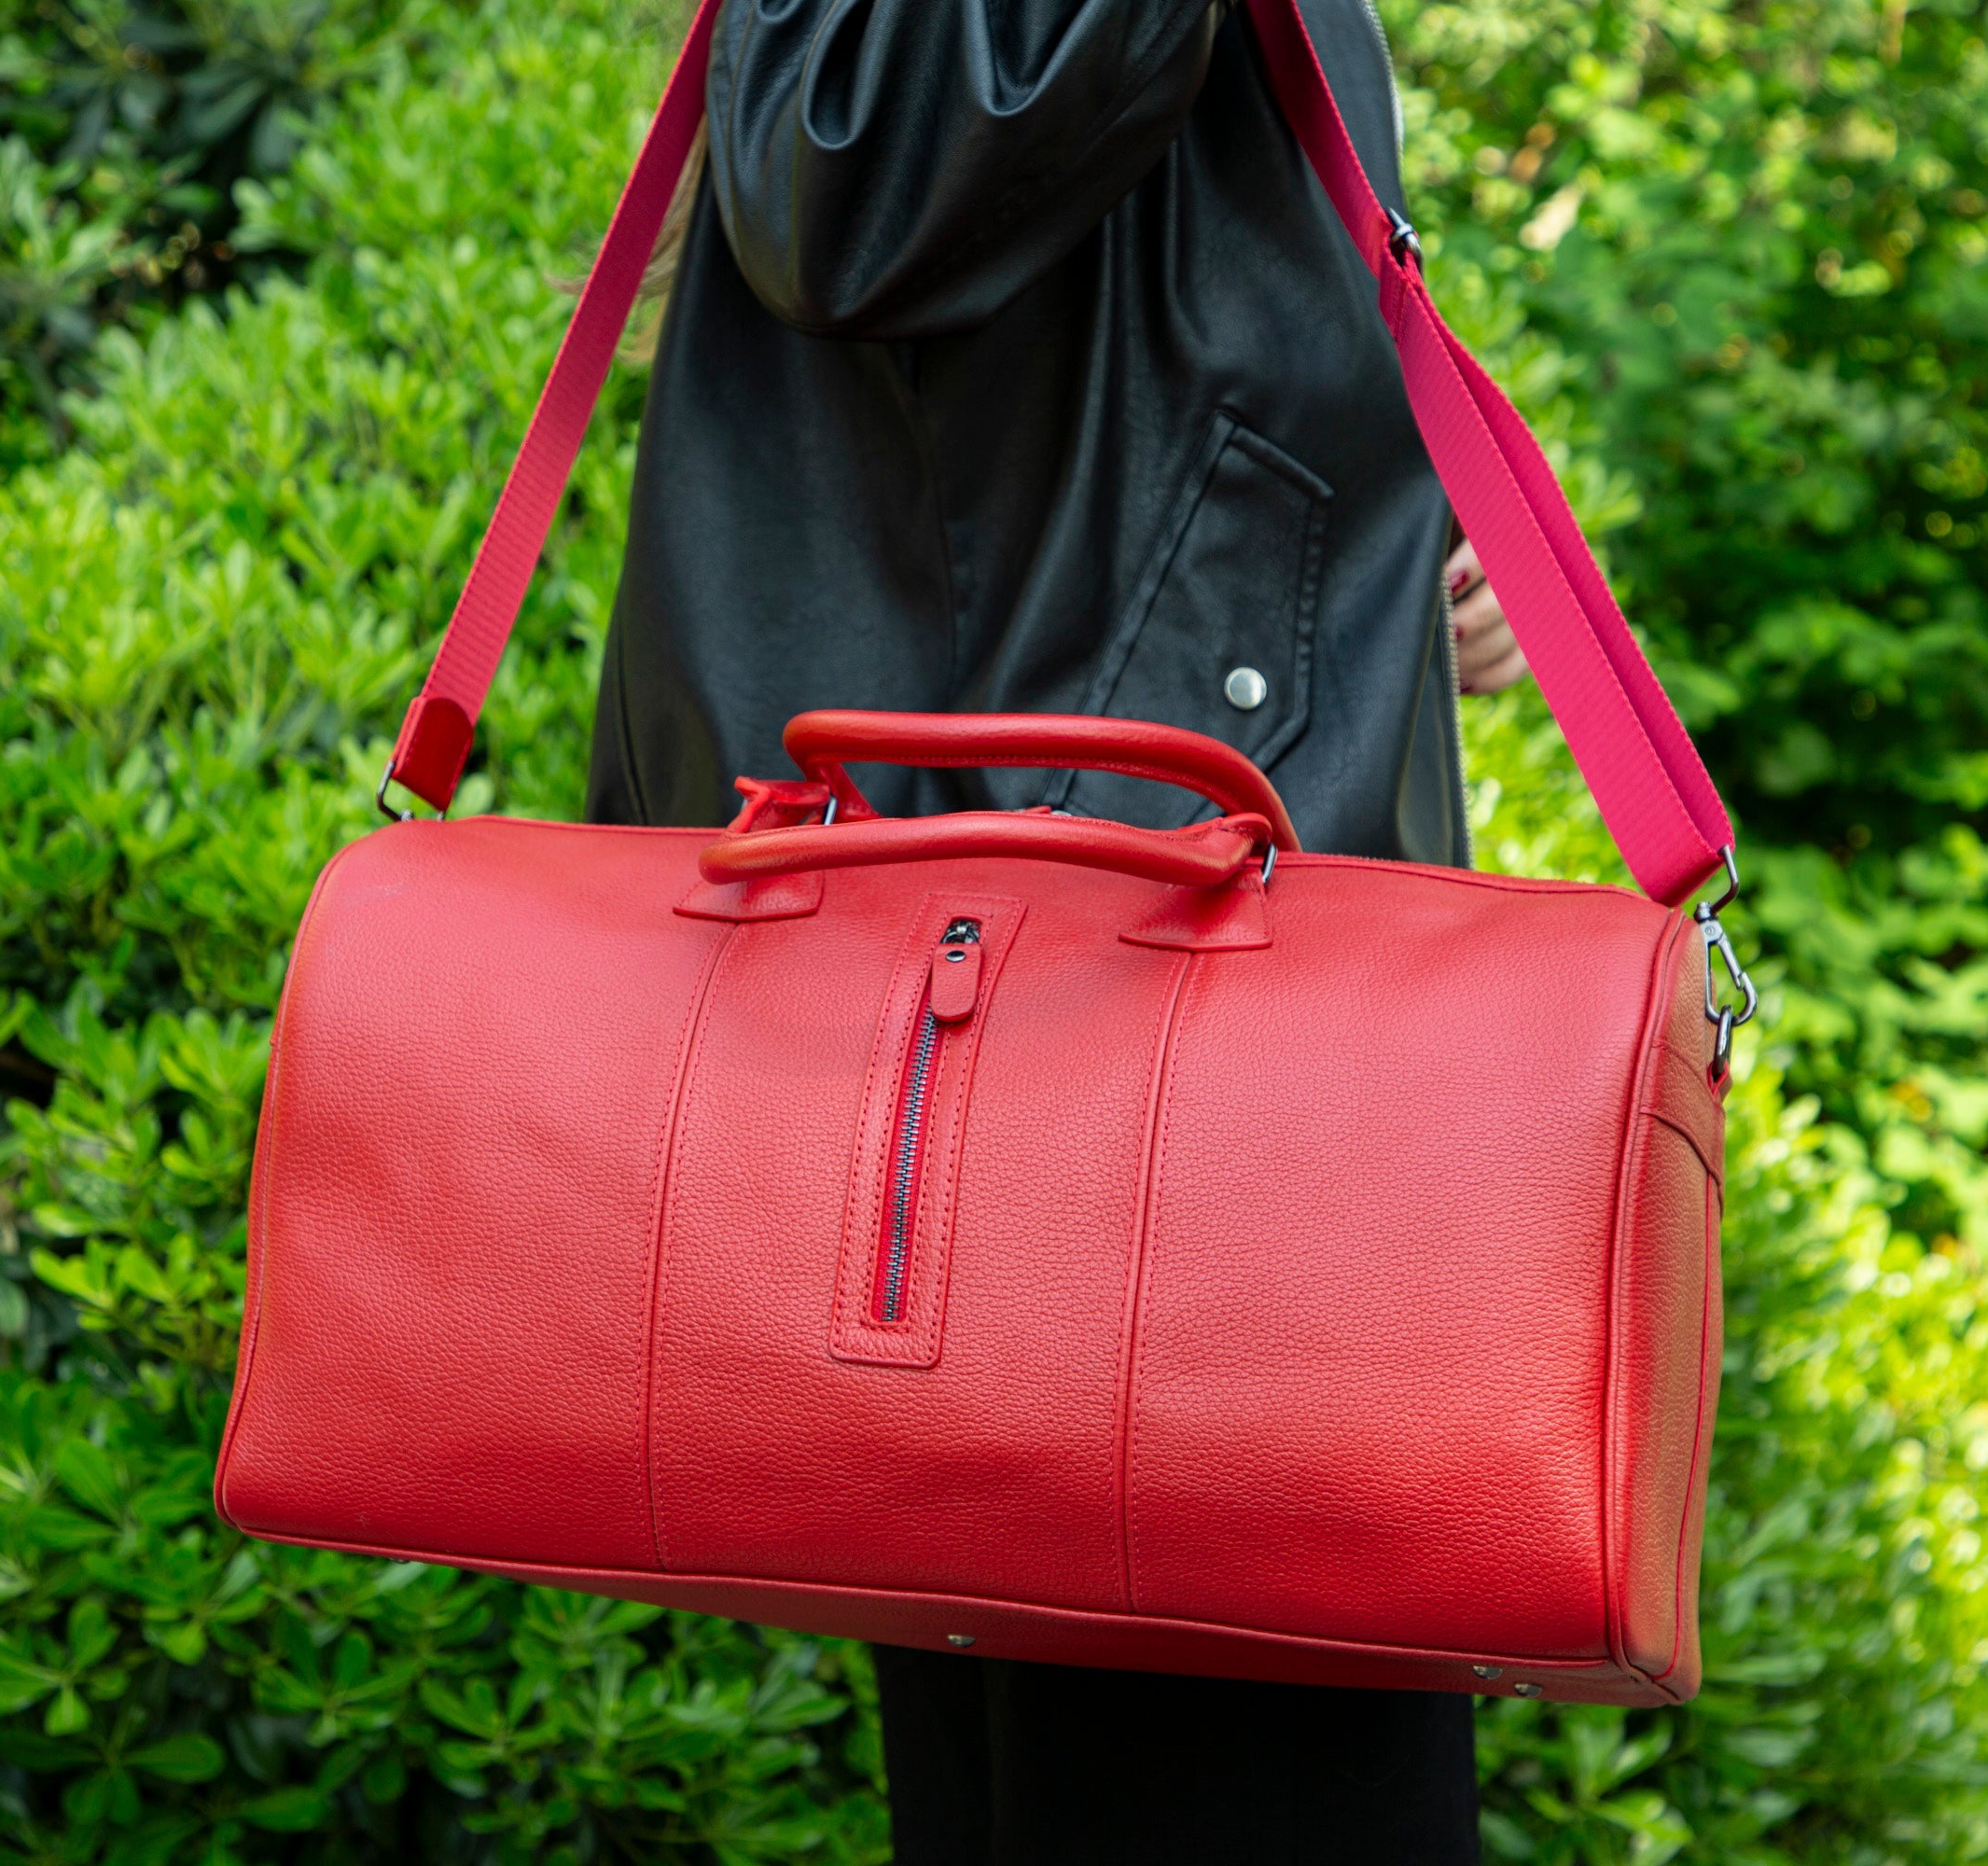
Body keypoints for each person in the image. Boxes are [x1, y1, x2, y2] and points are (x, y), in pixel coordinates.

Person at [588, 1, 1527, 1858]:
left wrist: (1368, 573)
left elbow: (1085, 358)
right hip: (1123, 1049)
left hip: (1118, 1010)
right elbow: (847, 173)